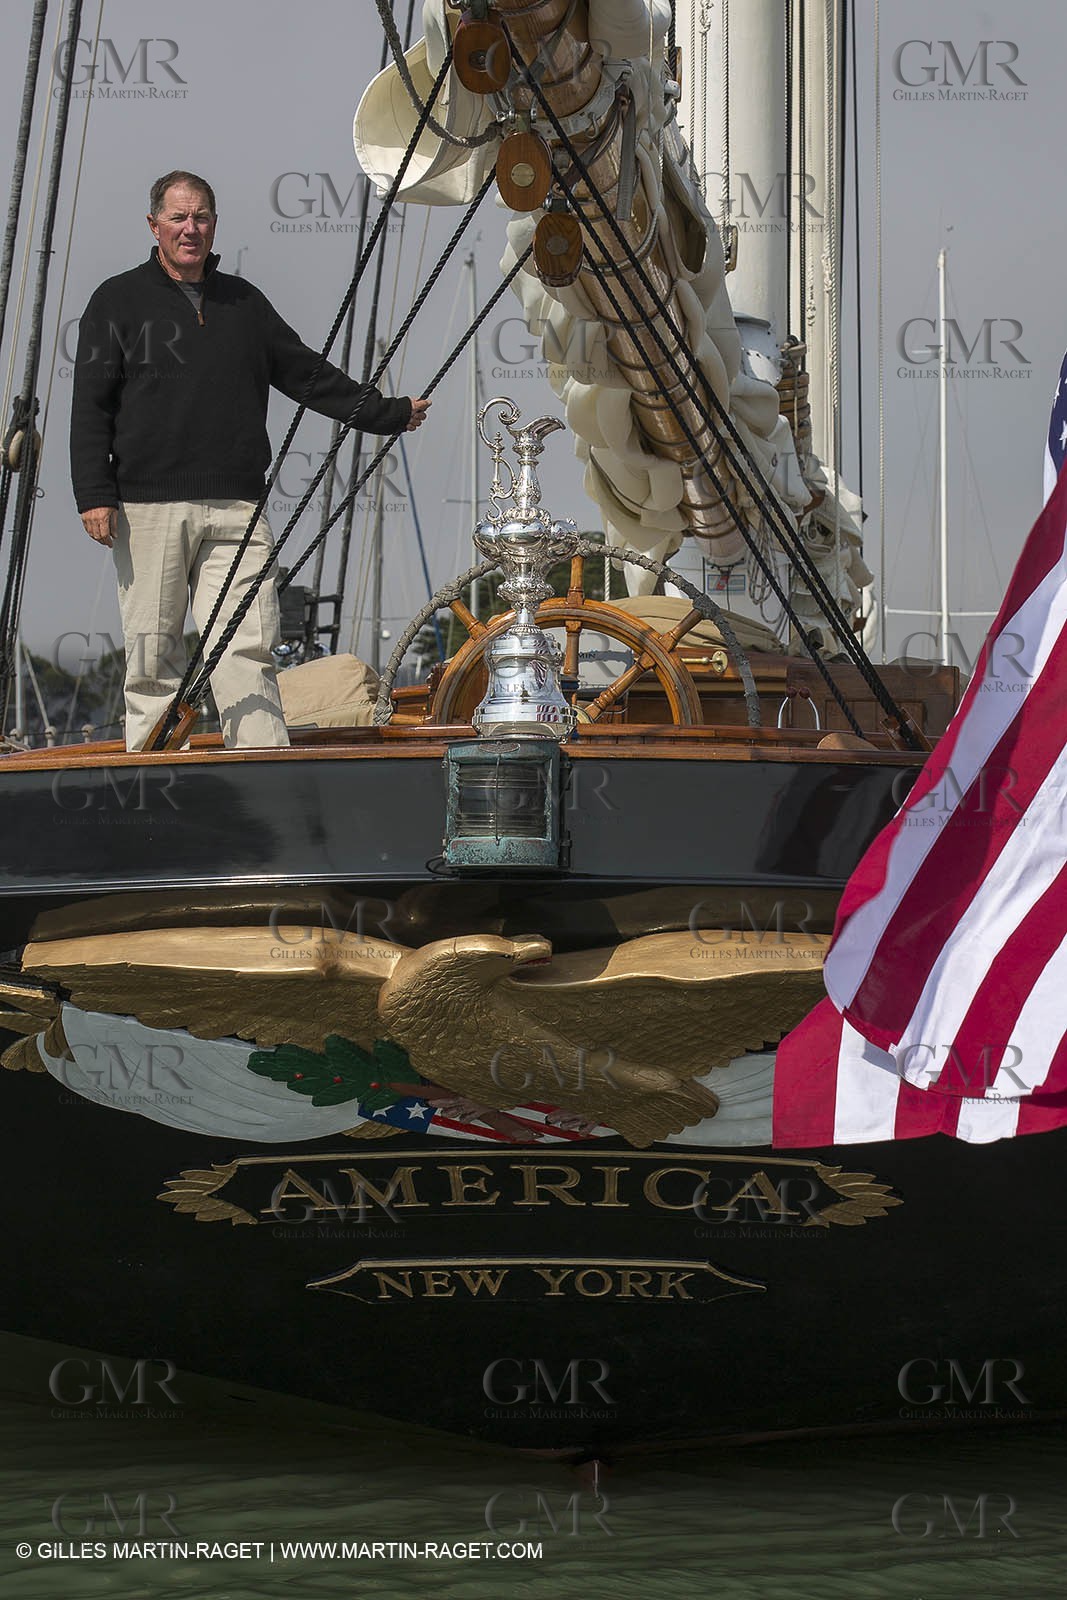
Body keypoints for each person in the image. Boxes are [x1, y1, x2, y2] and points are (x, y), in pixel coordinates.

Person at [70, 169, 430, 750]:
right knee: (153, 652)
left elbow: (308, 375)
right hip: (145, 505)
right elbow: (90, 404)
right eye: (179, 218)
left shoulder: (245, 304)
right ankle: (152, 780)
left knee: (248, 647)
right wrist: (93, 495)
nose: (191, 229)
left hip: (237, 504)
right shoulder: (116, 300)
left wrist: (386, 413)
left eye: (202, 217)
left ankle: (261, 767)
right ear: (154, 224)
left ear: (214, 225)